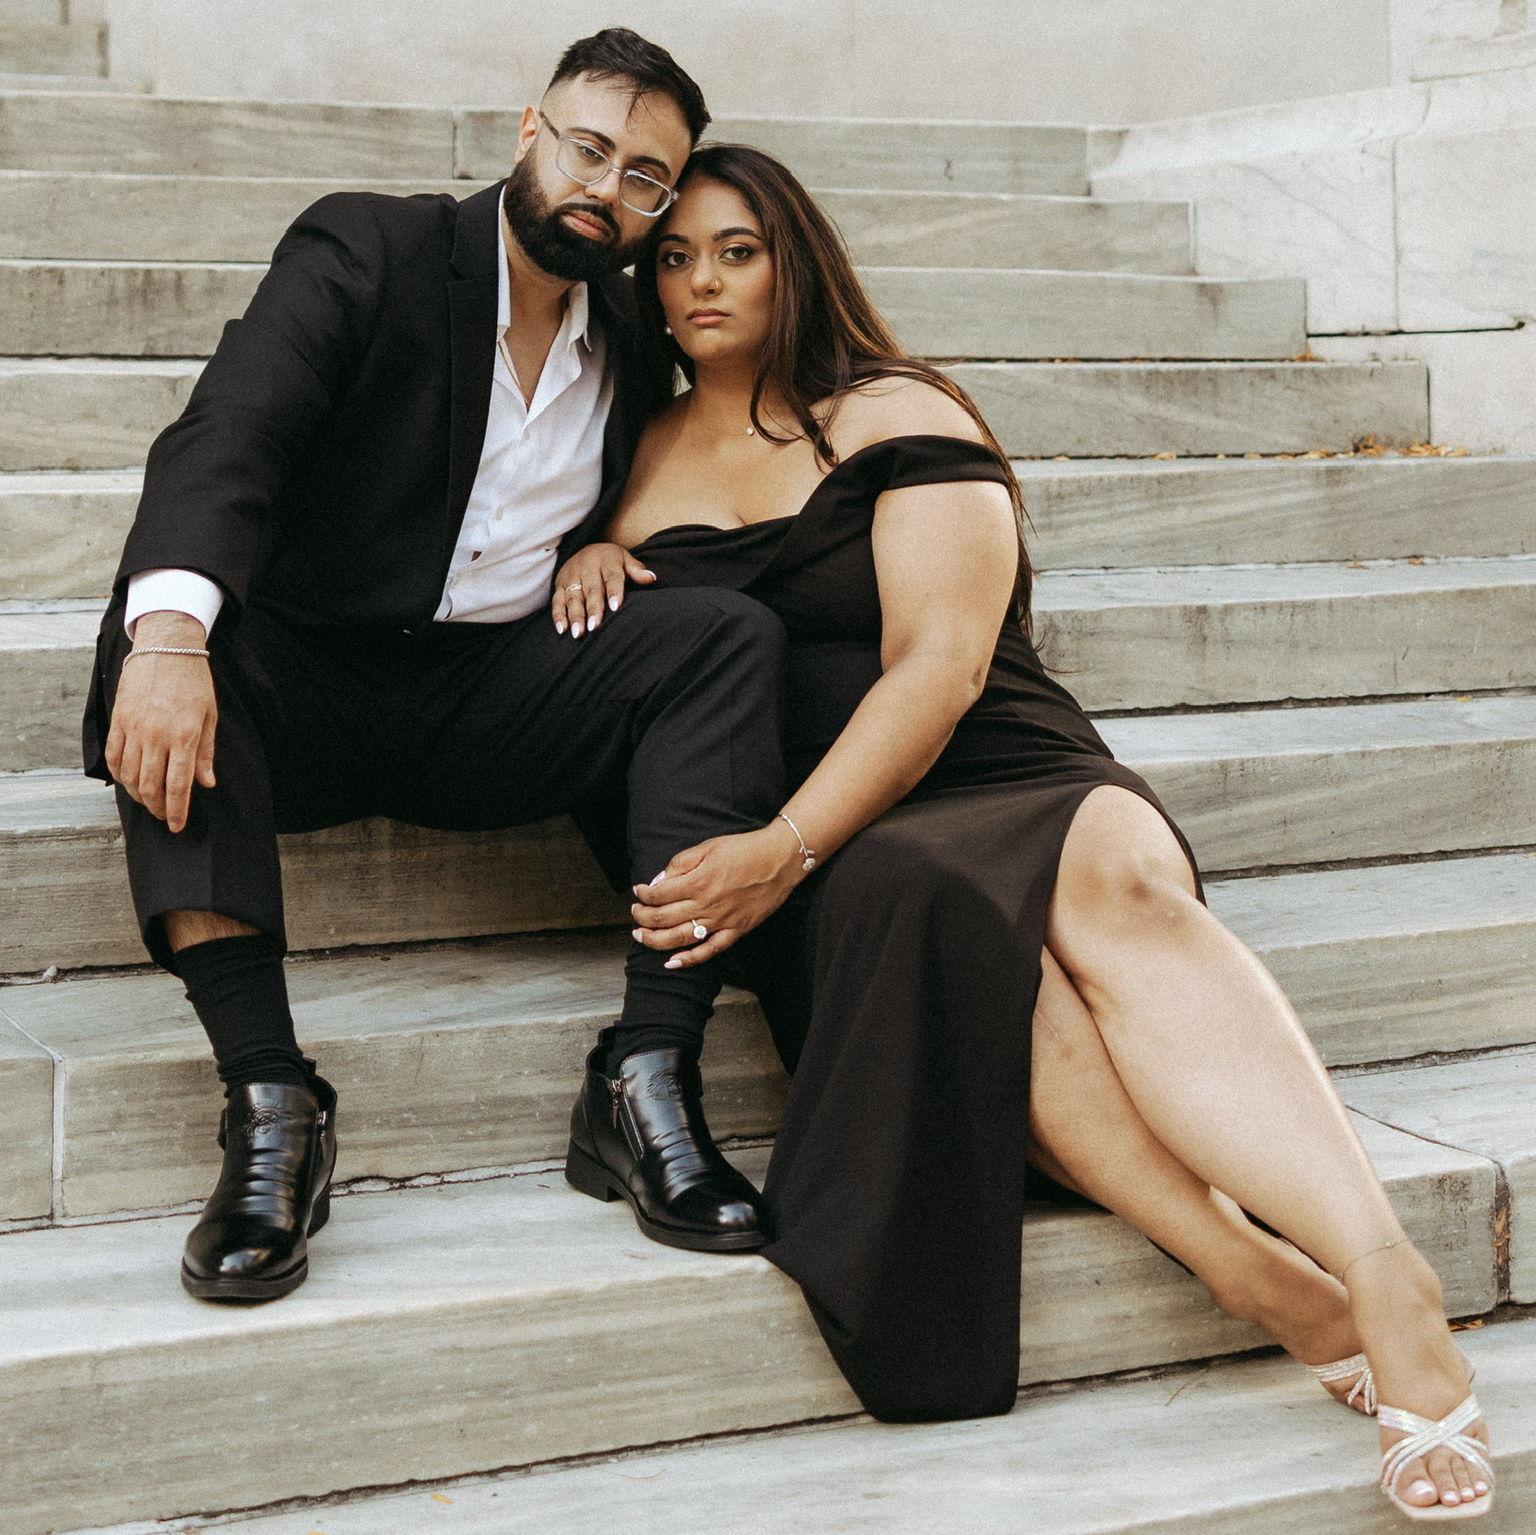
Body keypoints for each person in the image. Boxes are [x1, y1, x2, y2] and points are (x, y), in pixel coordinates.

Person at [553, 143, 1495, 1521]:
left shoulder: (894, 407)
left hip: (986, 760)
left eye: (738, 250)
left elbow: (940, 669)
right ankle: (1245, 1270)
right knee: (961, 937)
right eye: (676, 256)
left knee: (1116, 880)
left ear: (794, 260)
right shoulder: (628, 448)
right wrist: (588, 553)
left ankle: (1382, 1269)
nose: (702, 280)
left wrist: (785, 846)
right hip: (846, 843)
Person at [79, 29, 784, 1305]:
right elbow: (229, 435)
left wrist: (608, 537)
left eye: (644, 177)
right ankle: (271, 1099)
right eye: (587, 148)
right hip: (306, 681)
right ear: (529, 131)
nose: (605, 187)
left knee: (725, 636)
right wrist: (170, 638)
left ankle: (645, 1075)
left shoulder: (634, 329)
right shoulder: (371, 250)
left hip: (487, 697)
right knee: (166, 628)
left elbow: (703, 447)